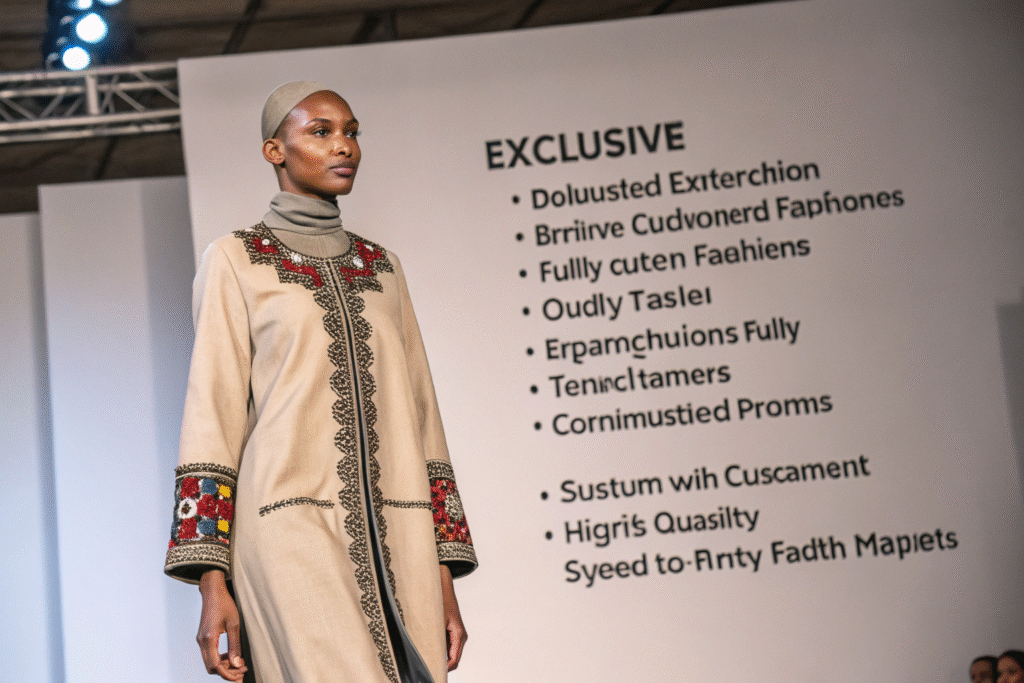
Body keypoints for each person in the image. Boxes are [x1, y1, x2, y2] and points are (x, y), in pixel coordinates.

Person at [164, 81, 477, 683]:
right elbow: (211, 413)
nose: (344, 146)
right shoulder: (235, 259)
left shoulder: (382, 268)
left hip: (403, 532)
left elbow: (423, 416)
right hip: (286, 532)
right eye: (321, 132)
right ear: (274, 151)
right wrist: (211, 580)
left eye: (352, 132)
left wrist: (442, 570)